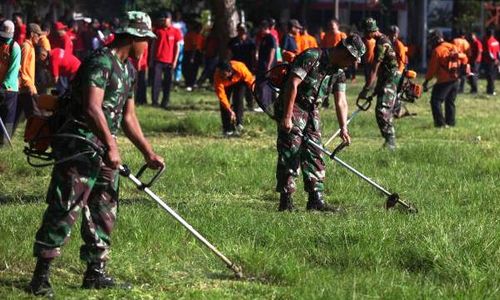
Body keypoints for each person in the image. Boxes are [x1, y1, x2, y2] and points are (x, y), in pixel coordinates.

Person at [28, 11, 164, 297]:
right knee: (66, 206)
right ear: (134, 37)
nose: (147, 47)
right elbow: (92, 107)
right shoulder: (100, 62)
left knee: (104, 207)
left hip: (104, 147)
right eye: (146, 41)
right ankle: (41, 276)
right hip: (79, 144)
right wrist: (111, 146)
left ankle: (95, 271)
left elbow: (129, 117)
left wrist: (148, 153)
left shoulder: (128, 70)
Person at [275, 34, 365, 212]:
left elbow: (341, 101)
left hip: (312, 110)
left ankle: (316, 199)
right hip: (294, 105)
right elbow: (292, 84)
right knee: (291, 149)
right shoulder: (312, 57)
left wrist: (343, 128)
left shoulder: (339, 72)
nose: (352, 64)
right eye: (352, 59)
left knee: (315, 151)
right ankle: (286, 201)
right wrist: (286, 117)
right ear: (345, 51)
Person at [359, 18, 399, 150]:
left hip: (390, 79)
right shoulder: (383, 39)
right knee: (382, 110)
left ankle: (391, 142)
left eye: (366, 33)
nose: (365, 36)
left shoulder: (381, 44)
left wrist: (366, 89)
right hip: (386, 78)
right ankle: (389, 141)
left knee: (382, 110)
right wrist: (376, 88)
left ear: (371, 31)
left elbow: (374, 70)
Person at [423, 29, 467, 128]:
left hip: (444, 81)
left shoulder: (437, 50)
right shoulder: (453, 47)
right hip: (456, 79)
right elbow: (464, 58)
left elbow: (432, 69)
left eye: (432, 39)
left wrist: (426, 81)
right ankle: (450, 123)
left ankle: (440, 124)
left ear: (437, 39)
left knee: (436, 101)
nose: (431, 42)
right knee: (450, 102)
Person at [16, 23, 45, 133]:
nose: (39, 37)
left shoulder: (31, 47)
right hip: (26, 87)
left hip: (28, 86)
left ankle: (4, 139)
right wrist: (29, 85)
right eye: (38, 34)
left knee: (17, 116)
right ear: (32, 34)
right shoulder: (26, 47)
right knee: (35, 115)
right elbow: (21, 68)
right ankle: (36, 138)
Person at [213, 60, 254, 136]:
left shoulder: (240, 68)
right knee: (224, 104)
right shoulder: (218, 76)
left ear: (230, 72)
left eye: (223, 74)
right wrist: (229, 110)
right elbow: (222, 96)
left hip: (240, 81)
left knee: (238, 99)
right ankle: (227, 128)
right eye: (220, 73)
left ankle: (239, 124)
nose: (221, 76)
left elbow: (251, 82)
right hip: (226, 85)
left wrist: (254, 94)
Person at [151, 11, 182, 109]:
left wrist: (175, 61)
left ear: (170, 19)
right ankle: (154, 101)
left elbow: (177, 47)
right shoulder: (157, 31)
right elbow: (153, 46)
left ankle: (165, 102)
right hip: (158, 60)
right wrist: (151, 59)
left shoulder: (175, 31)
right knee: (156, 82)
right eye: (163, 19)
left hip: (169, 61)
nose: (164, 20)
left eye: (166, 18)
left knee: (167, 83)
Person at [0, 20, 21, 146]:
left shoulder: (15, 47)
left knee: (7, 117)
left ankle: (5, 146)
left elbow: (13, 70)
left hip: (9, 89)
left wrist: (3, 86)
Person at [228, 23, 256, 110]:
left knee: (249, 86)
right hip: (235, 68)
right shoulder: (233, 41)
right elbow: (228, 54)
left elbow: (254, 55)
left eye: (243, 30)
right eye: (240, 30)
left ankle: (250, 104)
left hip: (247, 68)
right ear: (237, 30)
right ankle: (235, 104)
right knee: (235, 87)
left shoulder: (250, 42)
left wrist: (254, 67)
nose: (241, 32)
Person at [388, 25, 408, 118]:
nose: (393, 36)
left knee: (397, 92)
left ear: (397, 34)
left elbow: (402, 62)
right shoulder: (389, 44)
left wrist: (398, 73)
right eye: (391, 34)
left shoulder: (399, 45)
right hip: (391, 71)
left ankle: (397, 111)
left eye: (395, 34)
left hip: (399, 72)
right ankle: (392, 110)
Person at [182, 21, 203, 91]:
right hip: (188, 52)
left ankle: (190, 83)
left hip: (193, 53)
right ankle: (189, 82)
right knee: (187, 69)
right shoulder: (190, 34)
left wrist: (192, 57)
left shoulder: (195, 35)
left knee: (192, 69)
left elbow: (195, 46)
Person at [483, 28, 499, 96]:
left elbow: (489, 53)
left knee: (490, 76)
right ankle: (489, 90)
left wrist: (493, 59)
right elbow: (498, 52)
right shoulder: (496, 41)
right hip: (496, 61)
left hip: (490, 62)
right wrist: (498, 59)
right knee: (493, 76)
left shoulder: (488, 41)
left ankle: (490, 90)